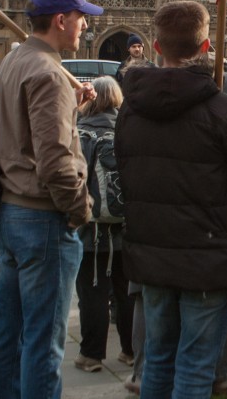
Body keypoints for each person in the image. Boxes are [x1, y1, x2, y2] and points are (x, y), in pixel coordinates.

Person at [115, 0, 227, 398]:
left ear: (155, 46)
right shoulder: (224, 111)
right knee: (196, 366)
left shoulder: (130, 111)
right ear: (205, 48)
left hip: (151, 253)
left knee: (158, 359)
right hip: (207, 256)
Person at [0, 0, 99, 399]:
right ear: (61, 20)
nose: (85, 26)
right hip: (43, 217)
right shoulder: (49, 74)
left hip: (11, 211)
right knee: (43, 343)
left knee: (5, 331)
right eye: (81, 18)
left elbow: (31, 132)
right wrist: (80, 209)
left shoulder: (15, 62)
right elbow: (54, 161)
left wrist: (76, 106)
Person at [72, 76, 136, 374]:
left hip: (90, 227)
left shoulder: (79, 132)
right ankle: (130, 350)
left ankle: (91, 355)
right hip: (125, 226)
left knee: (92, 291)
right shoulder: (127, 131)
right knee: (126, 292)